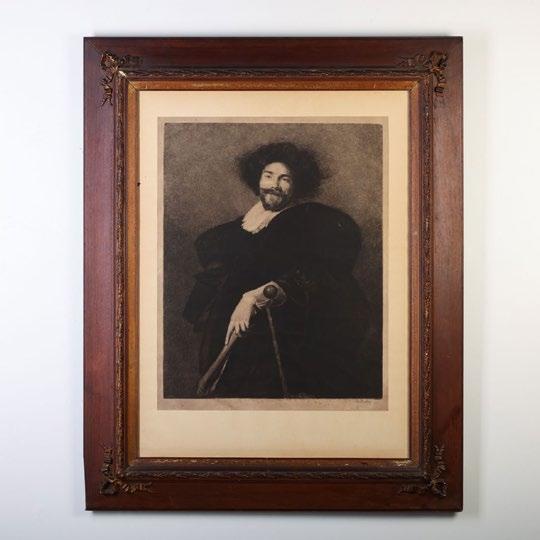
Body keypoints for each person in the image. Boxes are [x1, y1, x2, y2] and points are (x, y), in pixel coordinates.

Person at [183, 142, 379, 398]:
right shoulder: (243, 226)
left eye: (285, 179)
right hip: (234, 331)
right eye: (268, 176)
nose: (274, 185)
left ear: (296, 186)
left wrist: (254, 297)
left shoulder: (310, 222)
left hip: (282, 333)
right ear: (258, 179)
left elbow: (318, 275)